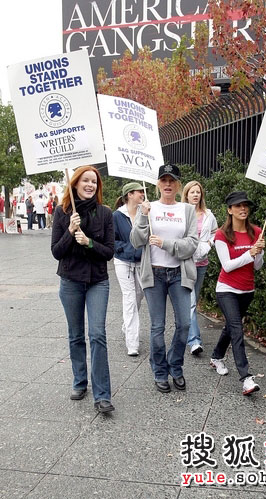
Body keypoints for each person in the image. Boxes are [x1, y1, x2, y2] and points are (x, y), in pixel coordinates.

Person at [51, 166, 115, 413]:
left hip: (98, 281)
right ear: (75, 183)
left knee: (97, 334)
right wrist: (69, 231)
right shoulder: (62, 212)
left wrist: (89, 242)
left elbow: (109, 252)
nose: (90, 185)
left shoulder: (105, 214)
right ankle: (80, 381)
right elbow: (56, 251)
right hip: (70, 282)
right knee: (76, 334)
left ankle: (103, 395)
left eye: (94, 182)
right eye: (86, 181)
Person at [130, 164, 198, 393]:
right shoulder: (149, 208)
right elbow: (136, 241)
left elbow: (192, 245)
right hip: (154, 274)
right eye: (164, 180)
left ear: (178, 185)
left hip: (179, 273)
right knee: (157, 327)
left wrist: (166, 244)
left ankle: (175, 367)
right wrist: (142, 215)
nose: (168, 184)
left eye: (172, 180)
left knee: (184, 324)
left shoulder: (187, 210)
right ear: (158, 183)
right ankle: (160, 372)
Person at [210, 191, 265, 396]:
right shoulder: (222, 235)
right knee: (236, 328)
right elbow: (228, 265)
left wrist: (258, 253)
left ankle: (216, 357)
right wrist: (249, 253)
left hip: (247, 290)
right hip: (226, 289)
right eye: (238, 205)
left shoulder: (257, 231)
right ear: (229, 209)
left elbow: (258, 267)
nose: (243, 209)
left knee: (230, 327)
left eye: (246, 205)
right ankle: (246, 378)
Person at [182, 181, 218, 355]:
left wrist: (209, 244)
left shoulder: (208, 215)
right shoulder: (181, 212)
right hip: (185, 263)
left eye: (198, 192)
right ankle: (194, 341)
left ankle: (184, 329)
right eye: (192, 192)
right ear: (186, 194)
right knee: (189, 303)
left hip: (201, 263)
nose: (195, 195)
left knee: (192, 302)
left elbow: (215, 232)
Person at [113, 182, 145, 356]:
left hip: (141, 263)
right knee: (130, 298)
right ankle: (132, 343)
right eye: (139, 191)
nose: (142, 194)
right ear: (129, 195)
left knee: (139, 297)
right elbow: (112, 240)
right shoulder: (117, 216)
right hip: (123, 262)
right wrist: (128, 248)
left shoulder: (144, 213)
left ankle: (127, 326)